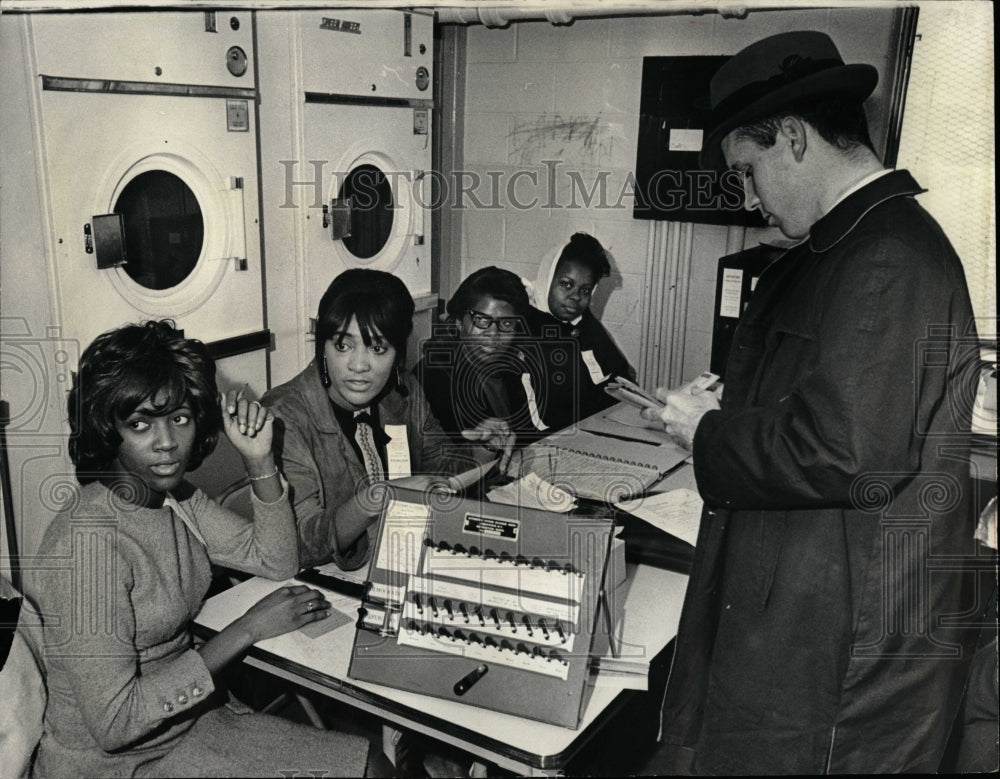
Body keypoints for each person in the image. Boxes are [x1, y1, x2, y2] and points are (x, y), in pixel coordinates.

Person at [642, 31, 982, 774]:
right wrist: (735, 403)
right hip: (801, 625)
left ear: (793, 137)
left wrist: (709, 432)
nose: (747, 195)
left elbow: (846, 446)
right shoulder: (845, 246)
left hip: (838, 667)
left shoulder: (887, 255)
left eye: (747, 169)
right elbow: (835, 397)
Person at [28, 320, 369, 778]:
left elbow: (277, 560)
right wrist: (247, 629)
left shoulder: (174, 498)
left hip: (191, 723)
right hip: (114, 766)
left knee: (369, 765)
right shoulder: (87, 546)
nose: (167, 442)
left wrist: (260, 460)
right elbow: (115, 723)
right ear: (107, 429)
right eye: (140, 423)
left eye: (180, 418)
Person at [262, 268, 514, 572]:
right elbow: (303, 545)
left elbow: (445, 475)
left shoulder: (402, 392)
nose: (358, 365)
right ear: (323, 347)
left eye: (378, 348)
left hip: (402, 559)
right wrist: (378, 499)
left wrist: (483, 448)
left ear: (397, 353)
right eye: (343, 345)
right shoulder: (284, 415)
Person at [416, 266, 550, 448]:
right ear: (458, 322)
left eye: (506, 323)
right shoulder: (432, 378)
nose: (493, 334)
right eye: (482, 320)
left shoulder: (514, 369)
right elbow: (443, 461)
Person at [525, 232, 635, 432]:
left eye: (585, 290)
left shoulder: (584, 324)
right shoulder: (525, 328)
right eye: (566, 284)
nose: (575, 297)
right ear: (546, 279)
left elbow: (619, 377)